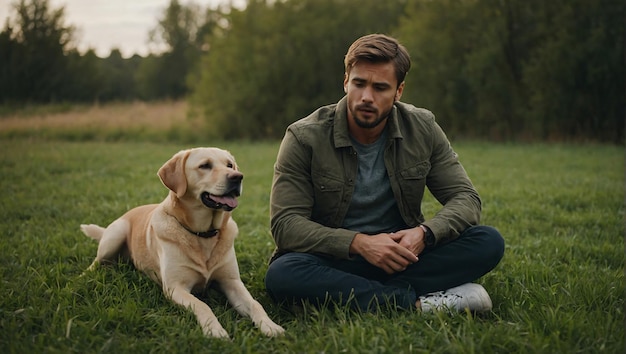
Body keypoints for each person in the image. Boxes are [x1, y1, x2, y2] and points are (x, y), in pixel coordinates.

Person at [264, 33, 505, 313]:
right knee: (283, 273)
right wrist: (360, 243)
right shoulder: (304, 136)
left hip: (404, 256)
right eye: (359, 84)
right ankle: (418, 303)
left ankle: (359, 294)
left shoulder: (423, 128)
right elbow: (286, 225)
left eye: (380, 87)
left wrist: (424, 234)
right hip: (335, 258)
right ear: (345, 82)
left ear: (399, 91)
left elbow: (465, 198)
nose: (367, 97)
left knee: (488, 241)